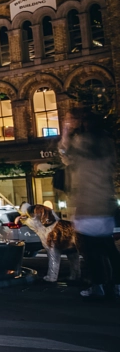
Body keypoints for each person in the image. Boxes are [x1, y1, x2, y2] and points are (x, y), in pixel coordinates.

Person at [59, 106, 120, 298]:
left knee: (90, 251)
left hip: (88, 203)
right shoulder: (107, 142)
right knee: (108, 248)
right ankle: (116, 284)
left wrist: (66, 129)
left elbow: (65, 153)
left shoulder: (82, 142)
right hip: (105, 202)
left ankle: (98, 285)